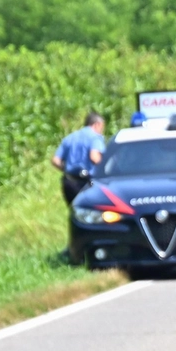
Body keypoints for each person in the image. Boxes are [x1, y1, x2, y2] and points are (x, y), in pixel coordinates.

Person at [53, 111, 106, 262]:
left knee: (75, 215)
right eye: (102, 127)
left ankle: (73, 249)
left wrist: (68, 168)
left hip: (69, 182)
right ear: (97, 124)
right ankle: (92, 247)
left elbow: (55, 160)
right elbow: (94, 156)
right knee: (94, 215)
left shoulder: (70, 137)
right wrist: (107, 167)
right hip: (86, 183)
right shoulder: (95, 137)